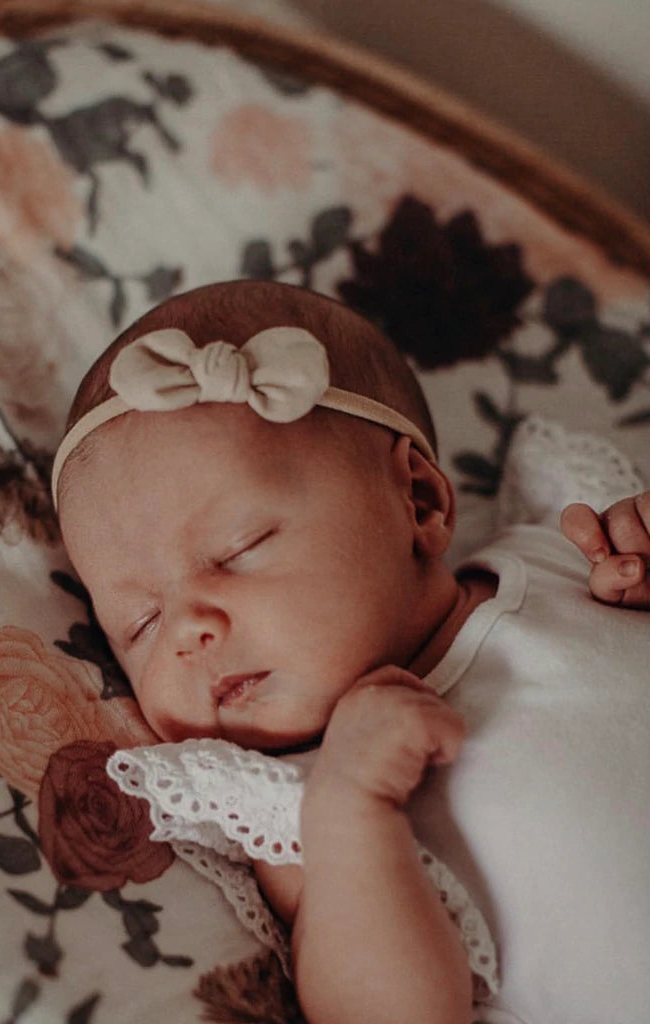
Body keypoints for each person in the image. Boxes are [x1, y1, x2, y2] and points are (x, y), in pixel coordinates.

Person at [51, 280, 650, 1024]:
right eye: (139, 623)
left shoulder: (566, 559)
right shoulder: (303, 808)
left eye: (238, 548)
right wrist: (354, 808)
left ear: (418, 501)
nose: (185, 630)